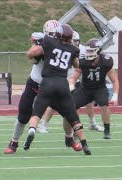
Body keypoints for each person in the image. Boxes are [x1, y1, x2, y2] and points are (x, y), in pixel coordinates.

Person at [3, 20, 81, 154]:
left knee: (70, 114)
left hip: (54, 85)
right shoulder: (43, 43)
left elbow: (76, 64)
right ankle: (14, 142)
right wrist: (37, 50)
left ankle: (69, 139)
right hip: (36, 83)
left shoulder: (64, 45)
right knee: (23, 115)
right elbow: (32, 57)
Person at [23, 24, 91, 155]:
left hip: (47, 82)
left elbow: (32, 54)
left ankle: (32, 130)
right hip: (62, 84)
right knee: (73, 116)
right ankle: (85, 144)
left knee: (36, 113)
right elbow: (77, 65)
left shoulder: (49, 42)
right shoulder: (73, 49)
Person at [37, 31, 104, 133]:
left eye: (77, 41)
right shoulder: (63, 47)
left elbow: (83, 62)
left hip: (74, 79)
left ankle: (92, 122)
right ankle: (43, 124)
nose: (75, 43)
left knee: (88, 101)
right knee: (55, 104)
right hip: (63, 80)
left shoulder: (80, 49)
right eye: (73, 41)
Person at [69, 38, 119, 139]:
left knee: (104, 105)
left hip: (99, 88)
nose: (88, 53)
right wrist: (71, 85)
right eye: (87, 50)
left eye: (91, 50)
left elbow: (115, 80)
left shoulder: (106, 61)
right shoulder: (82, 61)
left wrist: (115, 95)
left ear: (98, 50)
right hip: (85, 89)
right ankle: (76, 129)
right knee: (72, 106)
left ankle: (107, 129)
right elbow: (74, 77)